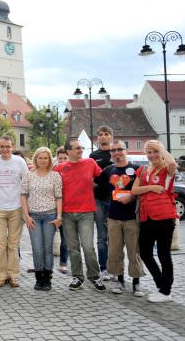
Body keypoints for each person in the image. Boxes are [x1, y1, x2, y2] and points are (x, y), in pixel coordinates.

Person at [54, 139, 106, 291]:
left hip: (86, 212)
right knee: (73, 248)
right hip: (67, 214)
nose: (80, 150)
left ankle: (95, 277)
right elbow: (54, 190)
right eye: (77, 148)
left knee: (88, 247)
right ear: (68, 151)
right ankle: (78, 277)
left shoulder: (90, 163)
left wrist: (93, 186)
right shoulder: (59, 168)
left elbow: (102, 179)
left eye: (81, 147)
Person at [131, 140, 178, 303]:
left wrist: (161, 147)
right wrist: (150, 187)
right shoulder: (143, 169)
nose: (152, 155)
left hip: (164, 216)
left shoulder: (167, 169)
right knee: (145, 252)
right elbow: (134, 190)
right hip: (147, 216)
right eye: (149, 152)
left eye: (155, 152)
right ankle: (162, 285)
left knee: (164, 253)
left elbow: (172, 162)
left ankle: (166, 291)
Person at [99, 140, 144, 296]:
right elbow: (98, 188)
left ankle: (137, 283)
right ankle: (119, 281)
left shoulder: (137, 169)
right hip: (113, 217)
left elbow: (142, 191)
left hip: (132, 217)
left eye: (119, 149)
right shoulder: (108, 171)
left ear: (126, 151)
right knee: (115, 251)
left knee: (134, 251)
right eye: (113, 150)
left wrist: (131, 197)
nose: (116, 153)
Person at [21, 147, 63, 291]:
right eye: (40, 158)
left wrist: (59, 217)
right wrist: (26, 216)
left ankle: (48, 278)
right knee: (37, 248)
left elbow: (59, 198)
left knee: (48, 248)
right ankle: (39, 278)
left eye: (46, 158)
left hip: (50, 216)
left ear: (50, 160)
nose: (43, 160)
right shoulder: (28, 175)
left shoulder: (55, 176)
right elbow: (23, 196)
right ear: (36, 159)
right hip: (33, 217)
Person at [0, 135, 29, 288]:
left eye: (8, 147)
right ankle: (1, 275)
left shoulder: (20, 162)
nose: (5, 149)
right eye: (2, 147)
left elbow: (26, 183)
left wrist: (26, 208)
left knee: (13, 244)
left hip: (16, 208)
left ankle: (13, 275)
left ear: (12, 147)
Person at [90, 125, 114, 281]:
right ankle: (103, 268)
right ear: (97, 138)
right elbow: (89, 178)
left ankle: (114, 267)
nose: (103, 137)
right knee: (101, 236)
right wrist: (98, 185)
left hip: (115, 200)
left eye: (106, 134)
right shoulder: (93, 155)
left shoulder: (116, 152)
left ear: (111, 136)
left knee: (115, 236)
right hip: (98, 199)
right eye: (101, 134)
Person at [55, 146, 69, 274]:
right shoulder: (53, 171)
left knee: (65, 238)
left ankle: (63, 262)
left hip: (66, 209)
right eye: (60, 158)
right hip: (51, 209)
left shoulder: (71, 171)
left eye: (65, 158)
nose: (62, 160)